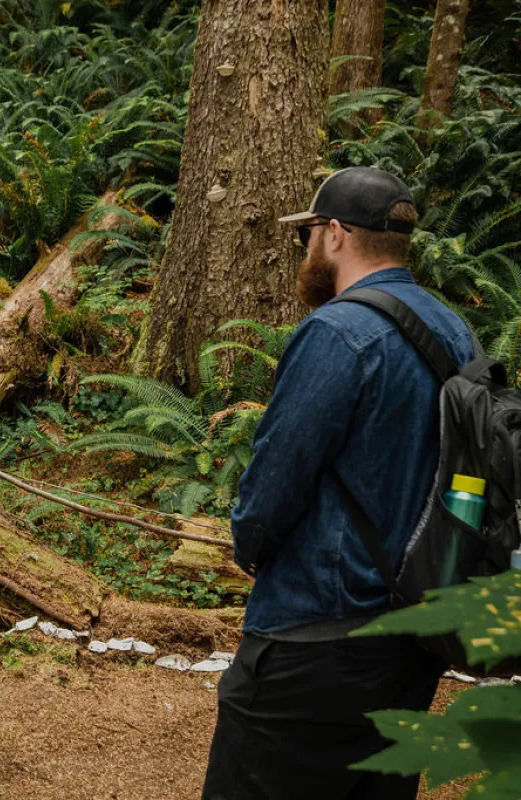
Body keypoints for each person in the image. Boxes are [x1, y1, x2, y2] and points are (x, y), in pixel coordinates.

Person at [202, 167, 476, 800]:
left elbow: (277, 473)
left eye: (309, 236)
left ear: (334, 234)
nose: (306, 250)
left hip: (317, 626)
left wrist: (250, 544)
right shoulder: (454, 332)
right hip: (414, 630)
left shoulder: (337, 332)